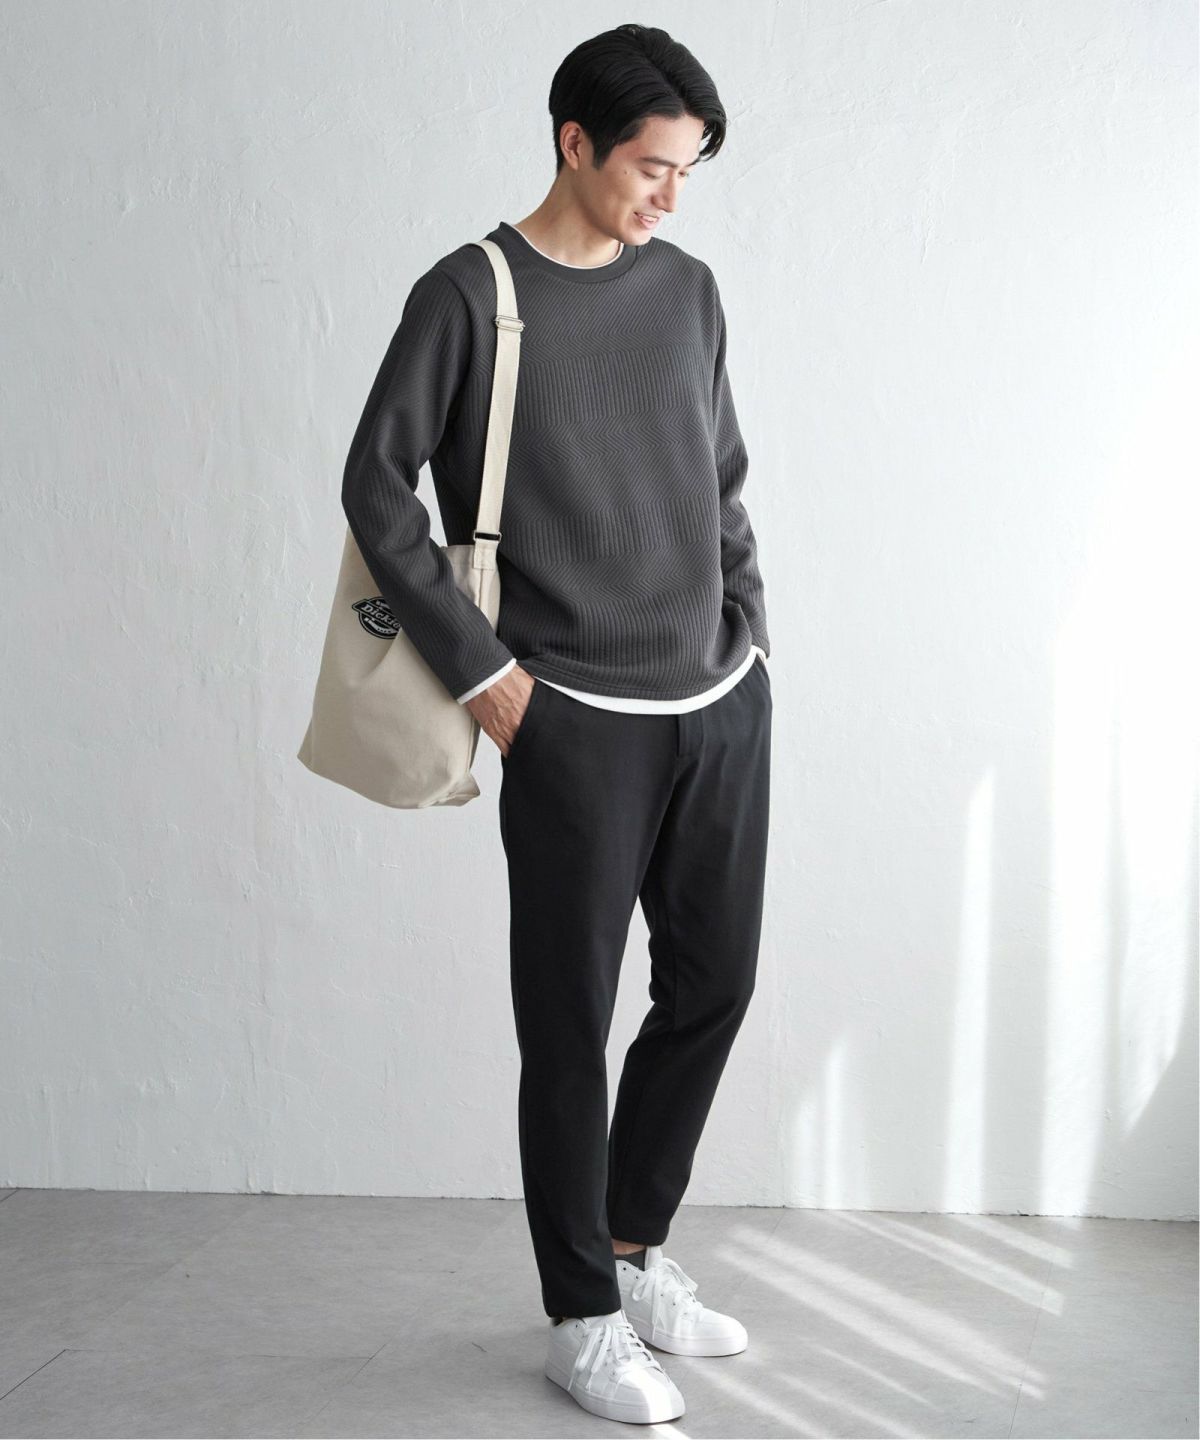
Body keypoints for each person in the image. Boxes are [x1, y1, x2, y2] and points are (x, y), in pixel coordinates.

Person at [341, 22, 771, 1426]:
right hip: (572, 713)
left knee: (713, 985)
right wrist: (485, 674)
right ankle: (581, 1314)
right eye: (651, 167)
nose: (671, 196)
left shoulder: (689, 290)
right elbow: (375, 482)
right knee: (569, 1022)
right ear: (574, 142)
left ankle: (634, 1254)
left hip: (717, 699)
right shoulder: (471, 293)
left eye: (689, 171)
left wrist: (752, 638)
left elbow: (719, 475)